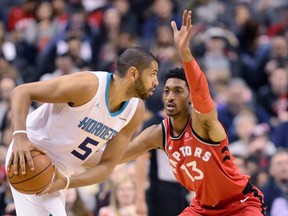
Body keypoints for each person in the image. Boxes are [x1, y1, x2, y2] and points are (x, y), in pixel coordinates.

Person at [94, 10, 267, 215]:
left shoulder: (203, 123)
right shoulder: (158, 133)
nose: (170, 96)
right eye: (167, 91)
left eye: (178, 91)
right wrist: (72, 161)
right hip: (203, 207)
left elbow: (202, 92)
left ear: (189, 97)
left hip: (239, 203)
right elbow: (115, 157)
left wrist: (185, 52)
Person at [5, 47, 159, 216]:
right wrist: (19, 137)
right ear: (133, 73)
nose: (156, 82)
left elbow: (107, 165)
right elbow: (22, 92)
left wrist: (66, 183)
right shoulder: (88, 85)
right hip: (30, 158)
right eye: (152, 74)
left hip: (58, 173)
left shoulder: (135, 111)